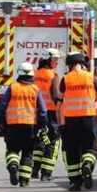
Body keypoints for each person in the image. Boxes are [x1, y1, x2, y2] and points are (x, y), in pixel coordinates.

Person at [55, 51, 97, 191]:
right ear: (81, 64)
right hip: (88, 118)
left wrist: (61, 123)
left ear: (69, 65)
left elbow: (59, 105)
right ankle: (88, 164)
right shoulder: (91, 77)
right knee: (91, 147)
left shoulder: (66, 79)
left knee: (72, 151)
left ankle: (75, 182)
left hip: (70, 121)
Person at [0, 62, 48, 187]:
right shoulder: (35, 89)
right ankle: (24, 180)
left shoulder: (13, 87)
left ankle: (13, 165)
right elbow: (42, 110)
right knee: (27, 153)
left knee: (12, 150)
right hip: (30, 127)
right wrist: (43, 125)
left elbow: (3, 106)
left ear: (19, 74)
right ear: (31, 74)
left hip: (12, 125)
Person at [32, 49, 62, 181]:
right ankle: (46, 172)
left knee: (40, 140)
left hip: (35, 113)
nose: (57, 63)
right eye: (55, 60)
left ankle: (35, 169)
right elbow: (55, 96)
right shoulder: (53, 76)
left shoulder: (34, 74)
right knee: (52, 142)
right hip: (50, 113)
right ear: (48, 60)